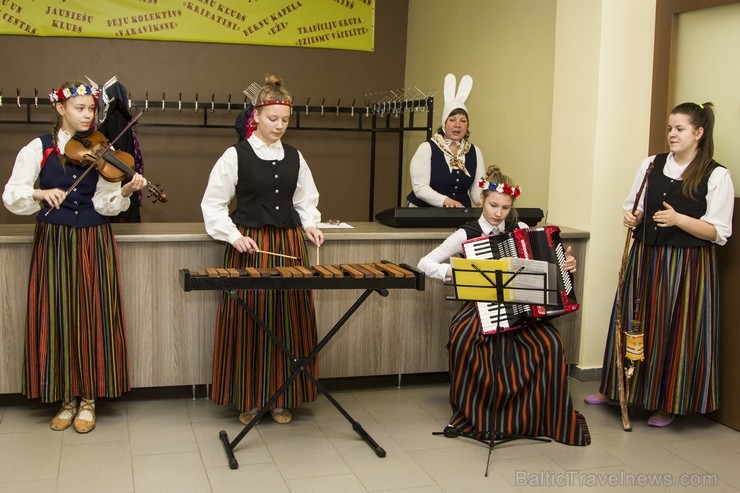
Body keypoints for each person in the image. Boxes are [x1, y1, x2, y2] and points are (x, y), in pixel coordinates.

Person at [2, 80, 147, 433]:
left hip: (94, 239)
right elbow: (12, 194)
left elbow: (105, 203)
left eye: (91, 109)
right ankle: (65, 397)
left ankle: (89, 399)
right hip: (54, 238)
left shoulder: (104, 148)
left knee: (93, 314)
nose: (87, 115)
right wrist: (39, 193)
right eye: (80, 108)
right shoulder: (37, 148)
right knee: (57, 314)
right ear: (61, 108)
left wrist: (125, 191)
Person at [585, 102, 735, 427]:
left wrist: (680, 219)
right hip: (646, 257)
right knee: (633, 321)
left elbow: (718, 232)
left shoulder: (716, 175)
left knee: (673, 331)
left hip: (686, 267)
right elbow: (634, 206)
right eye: (670, 128)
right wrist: (632, 215)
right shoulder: (652, 164)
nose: (672, 135)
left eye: (679, 129)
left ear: (698, 133)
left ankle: (667, 403)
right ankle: (616, 389)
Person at [418, 164, 590, 446]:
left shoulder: (521, 229)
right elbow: (424, 263)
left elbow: (546, 269)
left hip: (520, 307)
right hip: (479, 307)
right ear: (481, 200)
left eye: (505, 207)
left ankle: (531, 417)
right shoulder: (466, 233)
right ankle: (482, 415)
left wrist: (566, 265)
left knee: (550, 343)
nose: (498, 213)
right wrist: (457, 272)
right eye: (494, 205)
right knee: (466, 340)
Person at [201, 74, 325, 425]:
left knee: (288, 320)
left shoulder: (296, 157)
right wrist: (231, 234)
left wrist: (311, 224)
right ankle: (251, 397)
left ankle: (283, 396)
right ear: (256, 116)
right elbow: (212, 204)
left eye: (285, 120)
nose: (280, 126)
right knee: (250, 322)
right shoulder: (234, 155)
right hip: (250, 245)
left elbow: (305, 201)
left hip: (287, 243)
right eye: (273, 118)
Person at [406, 73, 484, 208]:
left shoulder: (475, 152)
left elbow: (476, 189)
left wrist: (483, 201)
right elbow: (420, 188)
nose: (457, 125)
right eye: (452, 120)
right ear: (444, 123)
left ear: (468, 125)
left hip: (459, 215)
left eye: (463, 121)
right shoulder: (427, 148)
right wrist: (446, 201)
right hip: (423, 213)